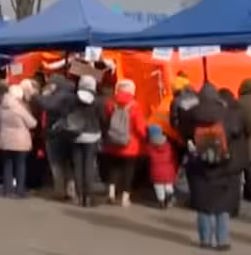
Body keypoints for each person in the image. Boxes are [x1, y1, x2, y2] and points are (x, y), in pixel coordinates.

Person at [180, 84, 244, 251]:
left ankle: (205, 239)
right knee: (222, 206)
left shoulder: (190, 114)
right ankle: (222, 240)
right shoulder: (229, 114)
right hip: (223, 163)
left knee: (203, 205)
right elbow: (239, 131)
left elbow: (183, 133)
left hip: (199, 165)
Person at [103, 79, 147, 207]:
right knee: (129, 171)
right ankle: (125, 198)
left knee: (113, 168)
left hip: (113, 142)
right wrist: (145, 138)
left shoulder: (110, 104)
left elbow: (106, 121)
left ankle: (111, 193)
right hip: (130, 144)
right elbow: (140, 128)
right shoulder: (135, 106)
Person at [67, 75, 104, 207]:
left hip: (75, 134)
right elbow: (103, 118)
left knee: (77, 166)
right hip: (92, 135)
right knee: (89, 165)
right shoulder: (98, 101)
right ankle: (88, 197)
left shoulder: (72, 99)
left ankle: (79, 195)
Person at [0, 84, 38, 198]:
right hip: (20, 140)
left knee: (7, 165)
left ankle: (7, 190)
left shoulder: (2, 106)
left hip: (5, 139)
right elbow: (32, 123)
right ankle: (20, 190)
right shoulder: (19, 107)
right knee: (20, 165)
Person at [146, 124, 178, 208]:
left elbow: (148, 156)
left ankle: (161, 202)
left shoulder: (149, 146)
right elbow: (173, 156)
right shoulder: (168, 145)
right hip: (168, 170)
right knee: (168, 185)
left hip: (156, 171)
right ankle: (170, 195)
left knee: (158, 187)